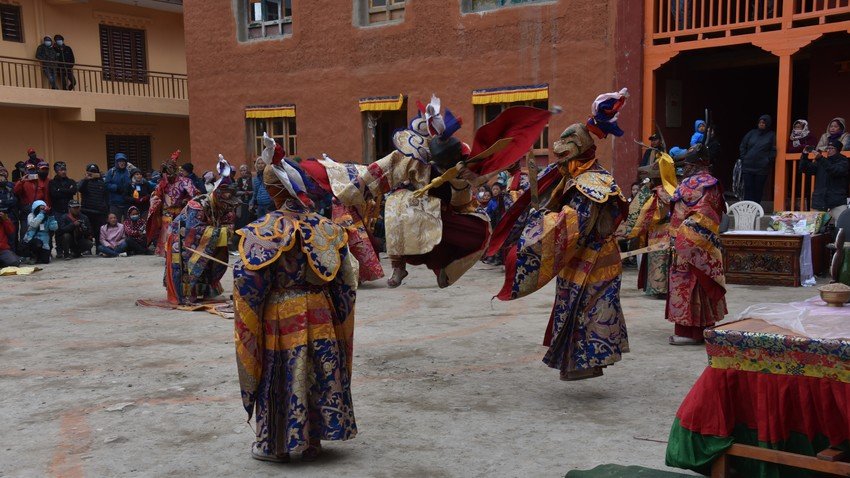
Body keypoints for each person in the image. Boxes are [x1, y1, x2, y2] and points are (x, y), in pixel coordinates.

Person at [492, 89, 630, 381]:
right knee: (576, 310)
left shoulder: (591, 183)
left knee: (588, 312)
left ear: (579, 156)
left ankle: (582, 365)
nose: (560, 164)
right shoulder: (575, 179)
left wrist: (540, 220)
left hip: (594, 259)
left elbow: (574, 223)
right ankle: (578, 365)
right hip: (581, 257)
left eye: (564, 158)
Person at [233, 152, 358, 463]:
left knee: (281, 373)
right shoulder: (326, 227)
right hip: (322, 313)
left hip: (281, 313)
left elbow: (249, 281)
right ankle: (313, 440)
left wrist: (247, 309)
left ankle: (277, 445)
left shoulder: (265, 229)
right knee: (317, 370)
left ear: (273, 191)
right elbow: (346, 282)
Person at [666, 144, 727, 345]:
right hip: (701, 241)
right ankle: (702, 328)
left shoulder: (682, 185)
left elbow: (676, 214)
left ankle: (688, 332)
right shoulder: (712, 184)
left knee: (686, 284)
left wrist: (677, 236)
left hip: (682, 242)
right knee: (700, 282)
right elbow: (712, 213)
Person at [164, 161, 238, 305]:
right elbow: (193, 230)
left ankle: (205, 290)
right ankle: (185, 294)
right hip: (182, 238)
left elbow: (226, 222)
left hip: (203, 239)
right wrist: (222, 233)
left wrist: (227, 228)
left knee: (210, 260)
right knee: (187, 264)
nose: (227, 207)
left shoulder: (221, 206)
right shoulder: (197, 205)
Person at [147, 151, 200, 256]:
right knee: (166, 233)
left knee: (180, 233)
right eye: (165, 172)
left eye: (169, 171)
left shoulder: (185, 181)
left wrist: (187, 200)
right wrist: (156, 200)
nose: (167, 174)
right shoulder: (162, 184)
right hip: (167, 212)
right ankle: (167, 253)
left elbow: (196, 195)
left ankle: (181, 252)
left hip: (181, 212)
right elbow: (156, 196)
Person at [800, 141, 849, 219]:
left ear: (838, 150)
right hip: (820, 201)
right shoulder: (821, 161)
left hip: (837, 202)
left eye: (831, 148)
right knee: (815, 229)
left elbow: (834, 170)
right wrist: (805, 155)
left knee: (842, 226)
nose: (828, 150)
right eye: (827, 148)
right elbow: (805, 169)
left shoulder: (843, 161)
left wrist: (820, 159)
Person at [738, 114, 776, 204]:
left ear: (768, 123)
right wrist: (744, 158)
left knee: (758, 189)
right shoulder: (752, 133)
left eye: (764, 122)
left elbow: (773, 149)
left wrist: (767, 160)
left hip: (762, 168)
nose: (761, 124)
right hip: (748, 166)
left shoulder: (771, 135)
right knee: (748, 188)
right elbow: (743, 146)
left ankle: (756, 209)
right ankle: (747, 208)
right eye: (760, 122)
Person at [14, 161, 51, 244]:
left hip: (39, 210)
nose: (31, 172)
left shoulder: (40, 181)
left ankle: (42, 250)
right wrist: (21, 181)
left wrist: (46, 207)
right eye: (29, 170)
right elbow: (16, 192)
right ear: (25, 171)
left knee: (41, 230)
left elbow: (45, 196)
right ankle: (24, 252)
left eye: (33, 170)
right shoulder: (22, 181)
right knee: (25, 231)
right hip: (26, 210)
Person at [77, 163, 109, 244]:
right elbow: (79, 189)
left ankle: (99, 247)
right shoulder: (83, 181)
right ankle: (88, 248)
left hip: (99, 211)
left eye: (95, 172)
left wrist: (106, 210)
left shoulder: (102, 182)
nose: (93, 174)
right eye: (91, 172)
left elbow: (106, 196)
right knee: (87, 230)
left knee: (99, 231)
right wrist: (86, 180)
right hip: (86, 210)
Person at [105, 153, 132, 220]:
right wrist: (116, 188)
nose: (122, 163)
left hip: (127, 203)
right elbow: (106, 184)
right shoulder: (111, 172)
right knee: (115, 223)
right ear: (116, 162)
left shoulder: (129, 171)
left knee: (128, 224)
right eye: (119, 161)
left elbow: (134, 181)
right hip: (115, 204)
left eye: (123, 161)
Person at [0, 165, 18, 252]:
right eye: (1, 172)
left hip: (10, 215)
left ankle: (13, 255)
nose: (3, 173)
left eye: (4, 171)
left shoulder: (11, 185)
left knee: (12, 236)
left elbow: (14, 200)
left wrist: (3, 202)